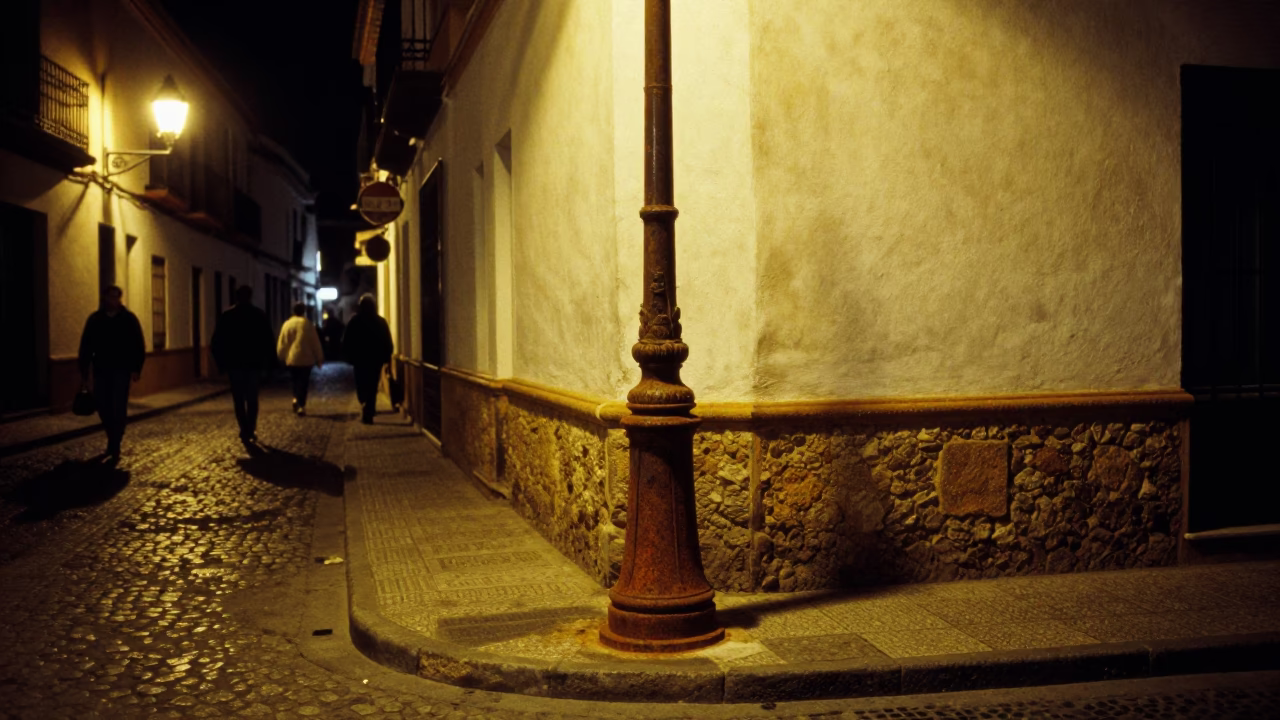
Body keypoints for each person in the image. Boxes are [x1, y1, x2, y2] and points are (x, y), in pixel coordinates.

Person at [77, 285, 146, 459]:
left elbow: (138, 344)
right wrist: (84, 371)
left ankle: (115, 442)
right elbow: (86, 345)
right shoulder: (95, 319)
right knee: (102, 405)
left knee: (118, 406)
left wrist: (136, 368)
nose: (113, 301)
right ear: (104, 298)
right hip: (101, 369)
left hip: (121, 370)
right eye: (110, 297)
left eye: (116, 297)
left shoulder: (128, 319)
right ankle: (112, 436)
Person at [211, 285, 274, 442]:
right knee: (252, 398)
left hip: (235, 365)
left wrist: (222, 364)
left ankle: (244, 429)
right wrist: (268, 364)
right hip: (253, 364)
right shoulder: (259, 315)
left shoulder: (227, 316)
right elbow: (268, 341)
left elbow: (216, 342)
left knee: (238, 399)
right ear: (250, 296)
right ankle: (250, 428)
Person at [342, 294, 393, 424]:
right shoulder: (380, 322)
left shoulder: (355, 321)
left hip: (359, 360)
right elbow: (387, 341)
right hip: (375, 360)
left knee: (361, 384)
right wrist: (387, 357)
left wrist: (348, 356)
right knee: (372, 385)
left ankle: (365, 404)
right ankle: (369, 409)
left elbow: (346, 341)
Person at [277, 302, 325, 415]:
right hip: (306, 359)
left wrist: (281, 355)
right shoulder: (307, 324)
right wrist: (319, 358)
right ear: (303, 311)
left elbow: (283, 342)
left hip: (292, 359)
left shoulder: (287, 324)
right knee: (303, 382)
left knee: (294, 380)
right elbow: (315, 343)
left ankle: (295, 398)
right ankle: (301, 405)